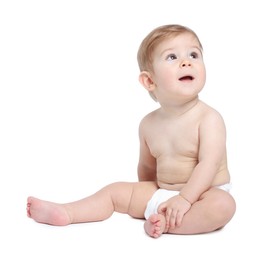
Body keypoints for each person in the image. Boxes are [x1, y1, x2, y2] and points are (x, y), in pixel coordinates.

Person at [27, 24, 236, 238]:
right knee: (114, 191)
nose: (186, 61)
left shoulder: (209, 119)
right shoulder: (148, 124)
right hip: (163, 193)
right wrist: (142, 198)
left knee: (223, 205)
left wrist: (184, 199)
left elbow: (208, 165)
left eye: (194, 54)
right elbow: (146, 167)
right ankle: (68, 212)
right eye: (172, 57)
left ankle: (165, 224)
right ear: (149, 81)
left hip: (203, 195)